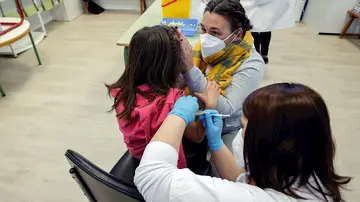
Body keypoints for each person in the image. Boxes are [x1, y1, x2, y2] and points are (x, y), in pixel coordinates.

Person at [134, 83, 352, 202]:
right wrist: (216, 143)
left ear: (268, 142)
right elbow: (242, 180)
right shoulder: (307, 170)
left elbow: (152, 177)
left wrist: (178, 115)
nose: (240, 133)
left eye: (244, 127)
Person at [106, 25, 219, 170]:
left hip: (139, 156)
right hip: (165, 169)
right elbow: (197, 135)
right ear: (173, 64)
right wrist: (210, 106)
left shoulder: (123, 91)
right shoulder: (171, 103)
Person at [181, 0, 265, 151]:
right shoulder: (200, 49)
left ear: (237, 34)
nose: (206, 38)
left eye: (215, 33)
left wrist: (189, 70)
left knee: (224, 169)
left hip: (227, 127)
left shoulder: (251, 63)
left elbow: (226, 109)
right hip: (191, 116)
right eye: (203, 29)